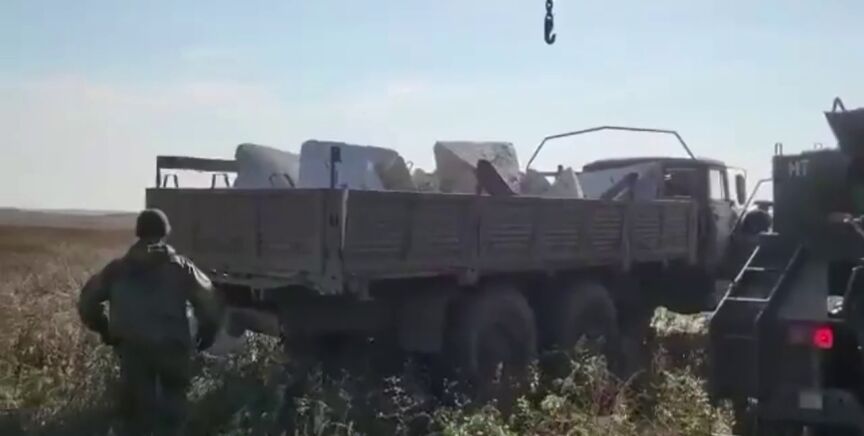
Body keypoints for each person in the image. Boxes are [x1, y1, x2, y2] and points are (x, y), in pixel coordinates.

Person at [77, 208, 222, 436]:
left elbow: (87, 302)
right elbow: (209, 299)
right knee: (174, 409)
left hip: (133, 348)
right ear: (165, 232)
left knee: (137, 413)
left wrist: (104, 329)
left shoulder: (116, 270)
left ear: (138, 232)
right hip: (173, 347)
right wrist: (208, 330)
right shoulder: (181, 267)